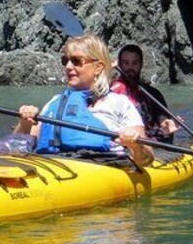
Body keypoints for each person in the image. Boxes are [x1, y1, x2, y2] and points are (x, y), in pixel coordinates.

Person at [15, 34, 154, 166]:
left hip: (101, 169)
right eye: (65, 60)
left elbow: (147, 160)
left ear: (98, 67)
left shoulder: (119, 104)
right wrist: (24, 123)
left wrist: (136, 145)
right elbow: (17, 149)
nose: (68, 66)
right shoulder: (54, 102)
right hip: (53, 165)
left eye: (76, 61)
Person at [111, 44, 178, 142]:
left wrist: (164, 123)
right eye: (126, 63)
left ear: (141, 65)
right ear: (120, 65)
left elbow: (160, 114)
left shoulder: (152, 93)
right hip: (121, 140)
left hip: (145, 140)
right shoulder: (111, 91)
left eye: (135, 63)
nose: (130, 67)